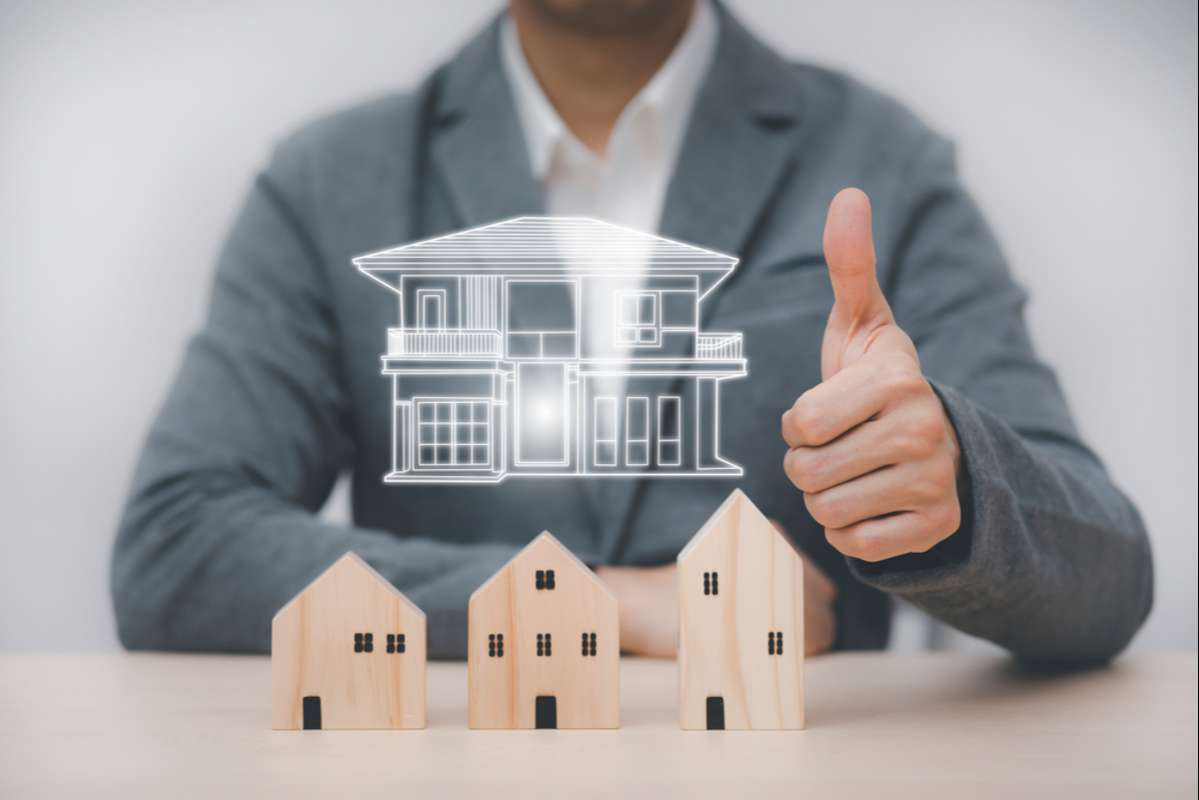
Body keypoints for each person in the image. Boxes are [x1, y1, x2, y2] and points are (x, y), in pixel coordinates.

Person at [111, 0, 1152, 662]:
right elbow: (177, 548)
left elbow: (1105, 575)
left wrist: (955, 491)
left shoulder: (878, 159)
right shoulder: (330, 181)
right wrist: (596, 603)